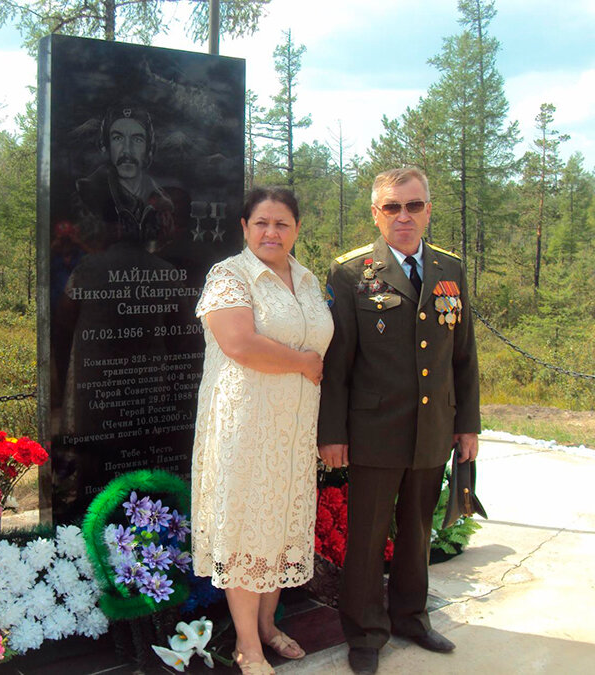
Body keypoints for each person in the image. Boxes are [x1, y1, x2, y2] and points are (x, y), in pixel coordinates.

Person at [317, 167, 480, 674]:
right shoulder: (351, 274)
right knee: (366, 538)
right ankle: (365, 634)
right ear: (376, 213)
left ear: (429, 209)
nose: (404, 216)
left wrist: (468, 425)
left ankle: (411, 616)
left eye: (414, 205)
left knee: (416, 532)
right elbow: (337, 364)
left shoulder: (449, 269)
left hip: (432, 430)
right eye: (393, 207)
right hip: (373, 430)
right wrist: (333, 434)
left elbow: (465, 357)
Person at [191, 188, 334, 674]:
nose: (272, 232)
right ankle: (248, 645)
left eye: (283, 223)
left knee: (278, 526)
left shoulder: (308, 279)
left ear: (297, 228)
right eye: (262, 223)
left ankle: (270, 625)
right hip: (245, 425)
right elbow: (239, 343)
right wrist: (304, 363)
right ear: (244, 227)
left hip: (293, 431)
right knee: (248, 527)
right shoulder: (230, 275)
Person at [75, 105, 174, 246]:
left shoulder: (163, 202)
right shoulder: (86, 195)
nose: (127, 150)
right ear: (106, 146)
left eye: (137, 139)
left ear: (149, 149)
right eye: (117, 138)